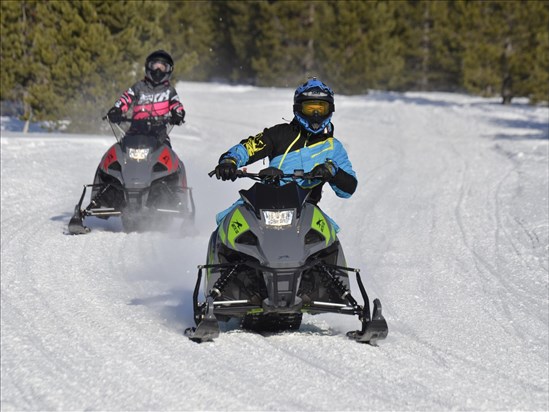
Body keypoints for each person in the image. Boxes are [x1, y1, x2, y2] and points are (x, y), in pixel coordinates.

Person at [213, 77, 357, 228]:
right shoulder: (278, 134)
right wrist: (229, 161)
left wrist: (333, 171)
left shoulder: (334, 148)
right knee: (227, 231)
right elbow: (248, 148)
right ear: (298, 108)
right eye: (310, 108)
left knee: (328, 241)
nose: (316, 114)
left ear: (330, 109)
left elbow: (349, 189)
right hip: (262, 205)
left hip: (306, 213)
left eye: (321, 108)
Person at [107, 50, 185, 145]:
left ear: (169, 70)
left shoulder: (169, 91)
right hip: (135, 131)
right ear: (148, 67)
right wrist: (117, 109)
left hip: (159, 134)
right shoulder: (139, 87)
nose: (158, 71)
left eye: (162, 68)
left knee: (167, 154)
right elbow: (126, 98)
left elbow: (176, 104)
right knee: (120, 150)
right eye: (155, 66)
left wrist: (178, 113)